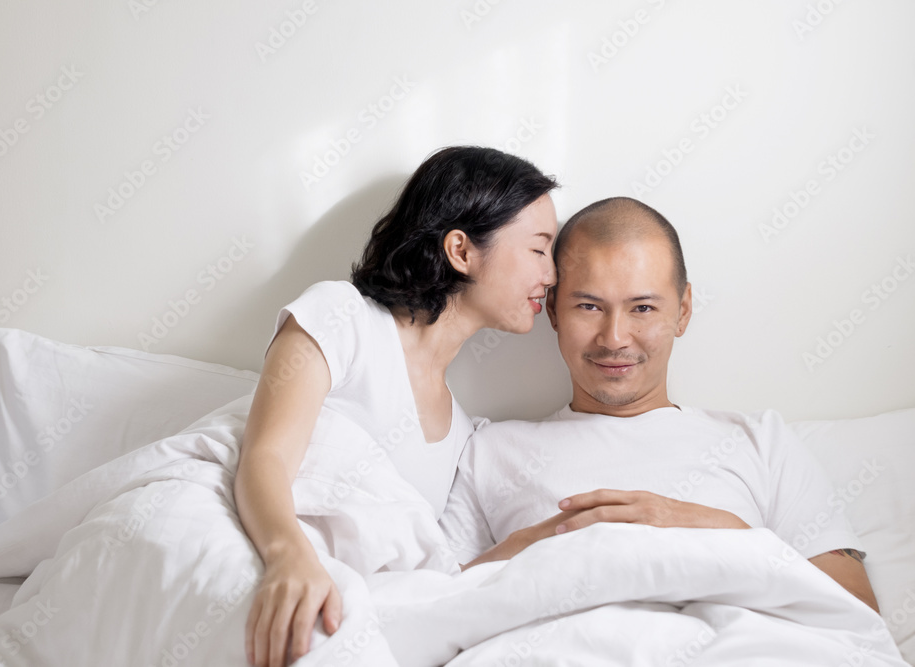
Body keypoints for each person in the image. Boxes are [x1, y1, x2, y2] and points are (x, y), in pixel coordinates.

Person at [440, 196, 879, 613]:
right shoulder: (490, 451)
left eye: (643, 308)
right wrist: (531, 548)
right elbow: (431, 611)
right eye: (589, 306)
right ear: (553, 310)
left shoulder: (760, 442)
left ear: (683, 310)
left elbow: (857, 613)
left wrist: (712, 528)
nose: (615, 338)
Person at [234, 146, 559, 667]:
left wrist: (538, 540)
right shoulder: (342, 318)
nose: (552, 275)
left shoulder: (462, 434)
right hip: (270, 560)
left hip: (347, 608)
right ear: (461, 250)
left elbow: (427, 583)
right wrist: (288, 556)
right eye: (540, 249)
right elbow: (265, 457)